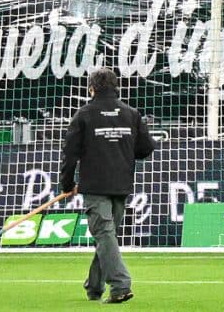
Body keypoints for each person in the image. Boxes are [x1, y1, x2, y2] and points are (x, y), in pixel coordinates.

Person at [60, 68, 155, 303]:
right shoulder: (131, 114)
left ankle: (120, 286)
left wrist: (67, 184)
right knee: (107, 236)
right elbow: (146, 148)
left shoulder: (84, 114)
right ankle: (94, 286)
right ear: (116, 87)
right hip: (121, 184)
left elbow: (70, 153)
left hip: (95, 185)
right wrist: (122, 151)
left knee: (104, 234)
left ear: (91, 89)